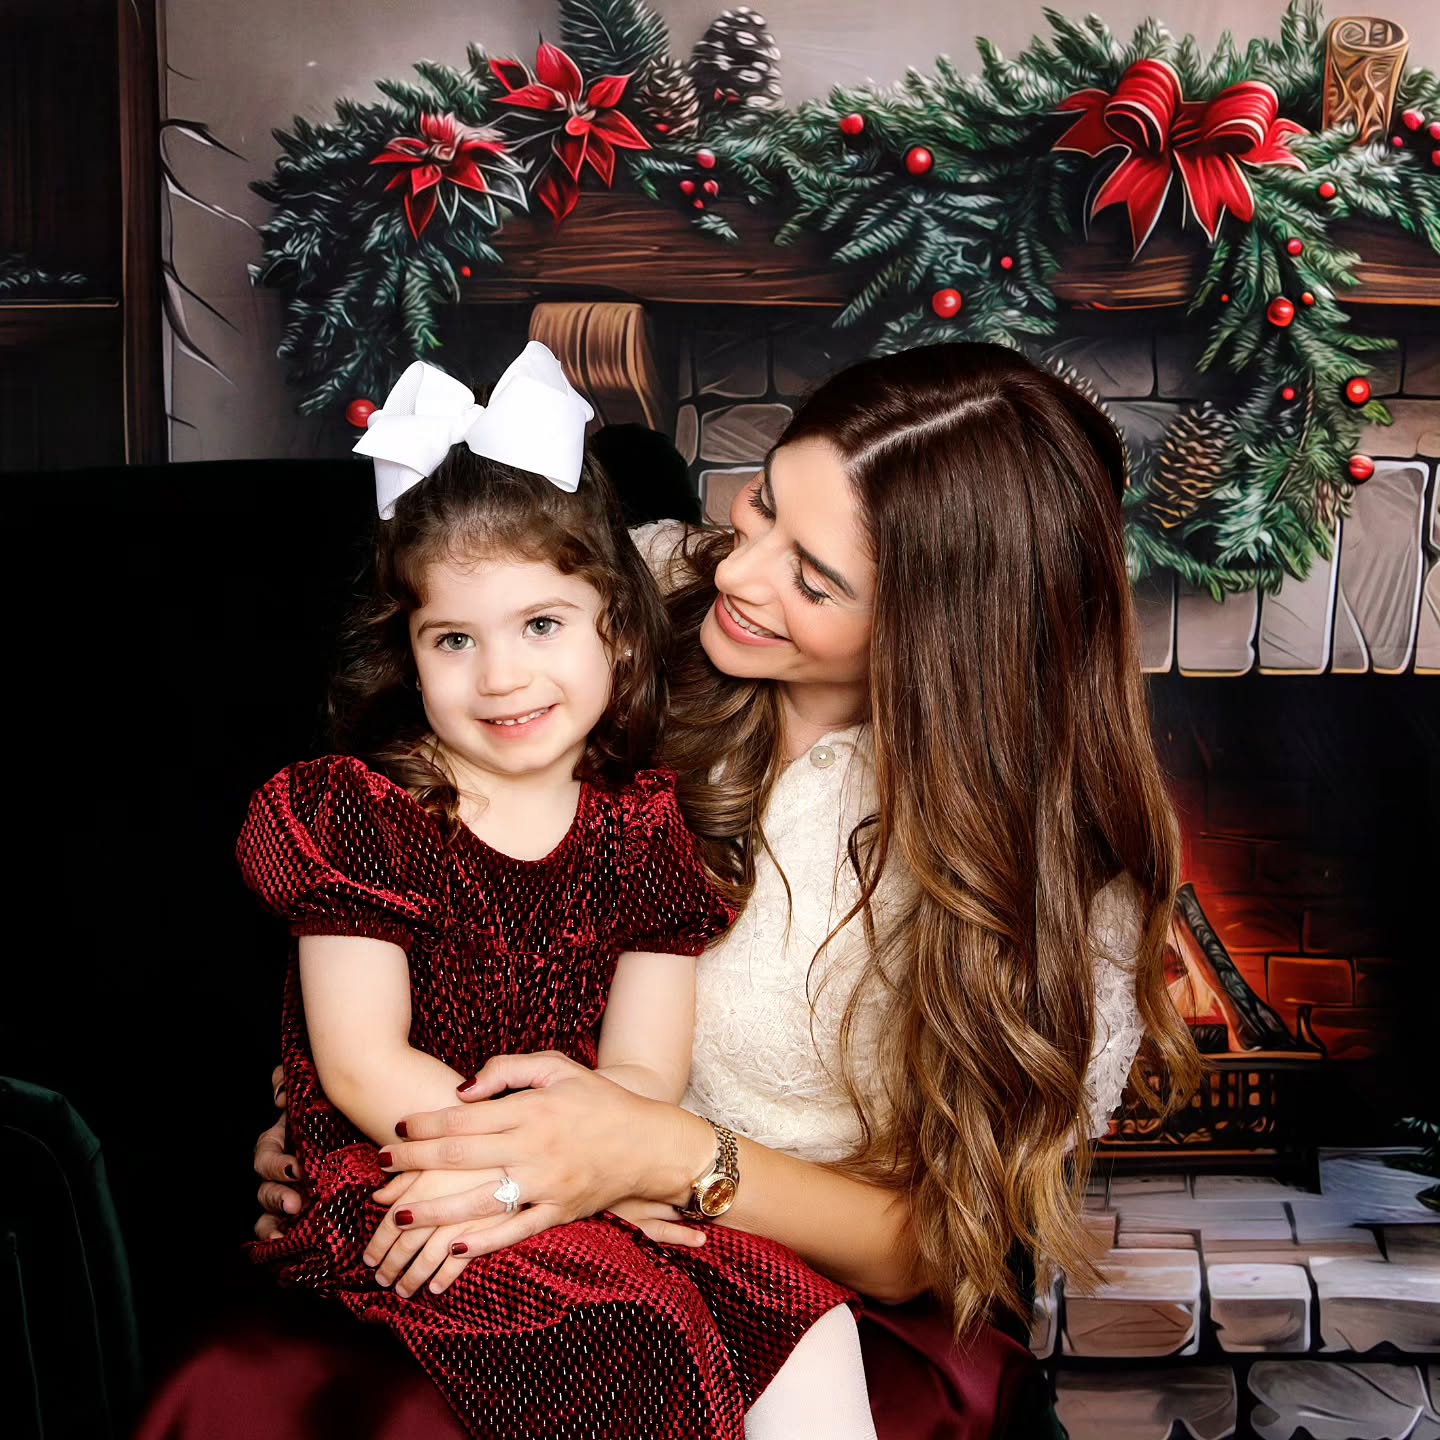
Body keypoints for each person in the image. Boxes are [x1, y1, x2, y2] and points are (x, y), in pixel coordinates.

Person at [151, 341, 1200, 1439]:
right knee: (298, 1386)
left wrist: (654, 1156)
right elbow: (412, 854)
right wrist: (375, 1126)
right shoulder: (629, 604)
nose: (740, 575)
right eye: (762, 510)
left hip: (796, 1280)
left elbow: (930, 1243)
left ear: (947, 631)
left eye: (815, 578)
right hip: (507, 1206)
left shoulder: (1046, 873)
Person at [230, 343, 878, 1440]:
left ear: (614, 630)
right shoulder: (361, 816)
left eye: (540, 627)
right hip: (414, 1174)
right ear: (409, 653)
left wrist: (591, 1162)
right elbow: (358, 1061)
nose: (501, 676)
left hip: (585, 1170)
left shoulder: (642, 830)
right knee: (633, 1325)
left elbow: (641, 1071)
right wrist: (513, 1175)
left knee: (802, 1317)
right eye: (453, 641)